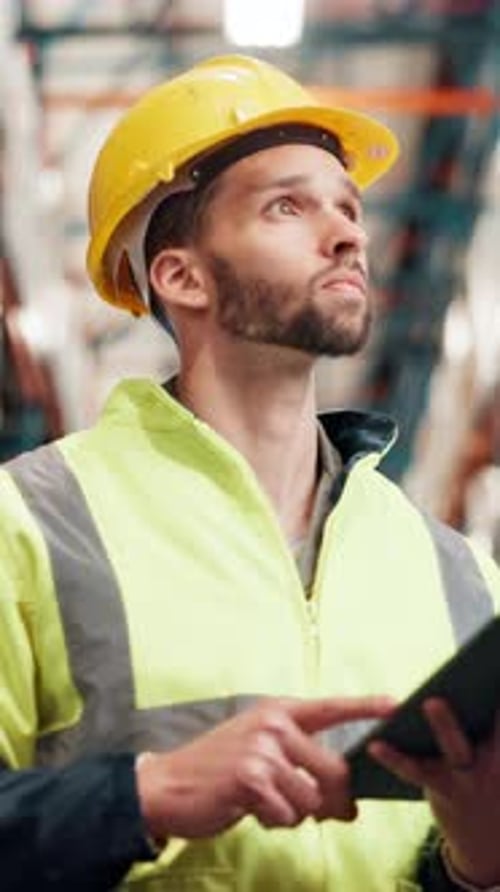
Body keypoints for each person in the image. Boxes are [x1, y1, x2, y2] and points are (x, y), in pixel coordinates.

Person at [0, 54, 499, 892]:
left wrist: (479, 861)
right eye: (287, 207)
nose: (347, 234)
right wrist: (145, 796)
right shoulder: (32, 523)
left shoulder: (461, 575)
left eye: (348, 208)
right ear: (181, 276)